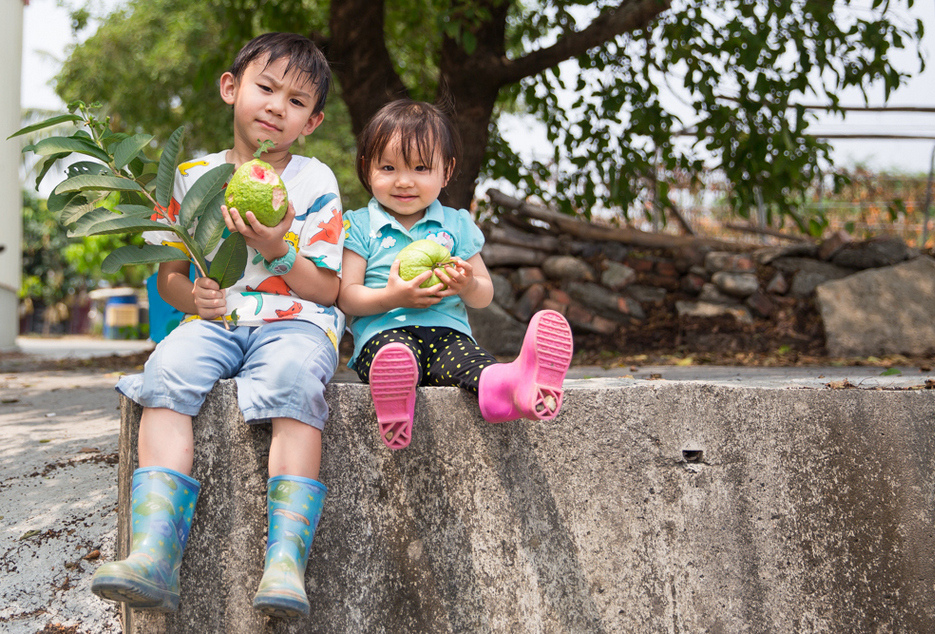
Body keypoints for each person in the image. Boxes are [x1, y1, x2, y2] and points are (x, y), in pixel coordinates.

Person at [90, 32, 345, 620]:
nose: (278, 107)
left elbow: (327, 289)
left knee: (294, 380)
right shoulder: (190, 177)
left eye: (298, 101)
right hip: (217, 320)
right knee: (167, 372)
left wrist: (278, 249)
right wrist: (196, 296)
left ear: (312, 122)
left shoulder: (314, 181)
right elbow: (169, 281)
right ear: (231, 88)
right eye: (265, 87)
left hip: (293, 321)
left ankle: (285, 561)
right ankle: (154, 554)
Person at [338, 98, 574, 451]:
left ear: (446, 172)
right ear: (366, 168)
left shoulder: (456, 223)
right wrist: (393, 298)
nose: (404, 181)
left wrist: (466, 284)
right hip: (384, 335)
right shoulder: (359, 224)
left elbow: (484, 295)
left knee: (476, 367)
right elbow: (347, 296)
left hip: (449, 335)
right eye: (388, 168)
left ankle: (516, 388)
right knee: (395, 357)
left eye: (420, 168)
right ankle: (395, 405)